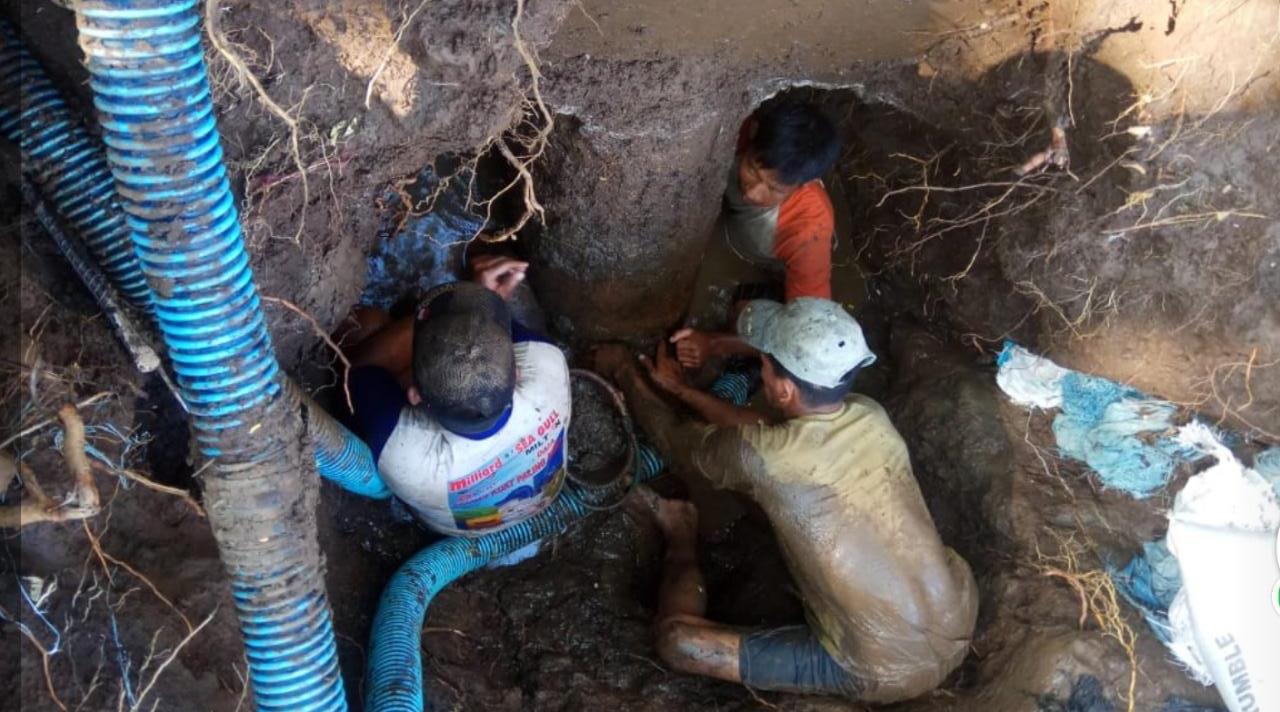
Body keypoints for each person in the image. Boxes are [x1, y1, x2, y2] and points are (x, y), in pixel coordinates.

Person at [592, 298, 977, 703]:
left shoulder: (765, 457)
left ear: (783, 388)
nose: (761, 366)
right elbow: (769, 434)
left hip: (879, 671)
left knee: (678, 643)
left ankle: (680, 530)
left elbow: (673, 439)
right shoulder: (869, 416)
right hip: (958, 611)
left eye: (765, 363)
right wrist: (680, 390)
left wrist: (622, 370)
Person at [342, 256, 570, 536]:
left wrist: (459, 309)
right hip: (540, 500)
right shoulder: (547, 367)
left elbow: (352, 369)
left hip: (452, 525)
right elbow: (498, 335)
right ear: (518, 373)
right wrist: (482, 301)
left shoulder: (402, 451)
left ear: (413, 396)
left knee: (364, 325)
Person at [725, 101, 841, 303]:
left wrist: (718, 336)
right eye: (752, 170)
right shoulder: (738, 130)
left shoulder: (807, 231)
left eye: (774, 189)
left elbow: (810, 320)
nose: (753, 193)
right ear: (753, 133)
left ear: (803, 184)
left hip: (765, 261)